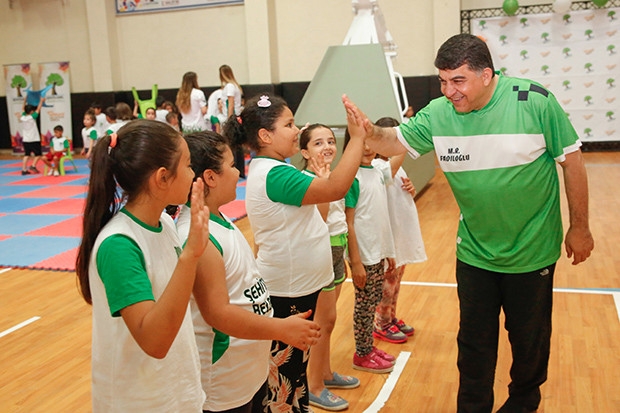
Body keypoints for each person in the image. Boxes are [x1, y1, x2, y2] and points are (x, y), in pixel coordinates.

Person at [342, 33, 594, 413]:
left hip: (533, 253)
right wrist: (368, 131)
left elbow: (572, 162)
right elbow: (392, 142)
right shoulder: (439, 113)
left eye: (458, 80)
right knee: (473, 346)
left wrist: (580, 226)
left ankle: (523, 404)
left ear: (487, 75)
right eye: (443, 81)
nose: (449, 91)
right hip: (475, 254)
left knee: (529, 345)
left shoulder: (535, 101)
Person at [223, 93, 365, 413]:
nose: (296, 130)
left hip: (299, 287)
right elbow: (336, 189)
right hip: (287, 292)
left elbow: (319, 214)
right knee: (283, 381)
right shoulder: (275, 174)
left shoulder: (278, 169)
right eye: (288, 125)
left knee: (295, 373)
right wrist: (356, 139)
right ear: (265, 136)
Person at [177, 131, 321, 413]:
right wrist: (281, 328)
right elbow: (218, 313)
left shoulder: (218, 219)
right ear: (210, 177)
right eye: (232, 165)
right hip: (224, 384)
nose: (237, 173)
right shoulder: (196, 235)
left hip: (248, 371)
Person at [75, 119, 210, 411]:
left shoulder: (164, 222)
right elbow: (155, 341)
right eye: (188, 166)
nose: (193, 174)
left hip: (177, 393)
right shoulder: (119, 245)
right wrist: (190, 255)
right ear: (162, 178)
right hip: (140, 402)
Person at [299, 124, 360, 411]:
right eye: (318, 143)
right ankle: (313, 386)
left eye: (331, 141)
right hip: (320, 250)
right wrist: (323, 184)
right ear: (304, 152)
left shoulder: (332, 176)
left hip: (336, 247)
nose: (327, 147)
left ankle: (324, 373)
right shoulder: (306, 180)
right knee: (323, 321)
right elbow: (316, 222)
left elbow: (341, 221)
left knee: (330, 320)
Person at [343, 128, 397, 372]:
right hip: (363, 254)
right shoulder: (351, 177)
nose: (366, 148)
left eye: (370, 142)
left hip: (377, 252)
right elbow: (349, 222)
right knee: (364, 306)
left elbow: (380, 215)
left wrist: (388, 251)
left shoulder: (376, 171)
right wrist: (356, 262)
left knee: (373, 301)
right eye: (361, 143)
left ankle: (369, 347)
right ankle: (362, 353)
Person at [371, 117, 427, 343]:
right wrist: (404, 140)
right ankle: (381, 322)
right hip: (388, 236)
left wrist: (411, 189)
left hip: (400, 233)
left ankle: (391, 317)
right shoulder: (376, 166)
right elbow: (390, 171)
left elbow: (399, 188)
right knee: (387, 282)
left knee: (396, 281)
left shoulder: (394, 165)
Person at [219, 65, 246, 178]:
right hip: (236, 117)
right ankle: (240, 171)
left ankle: (236, 170)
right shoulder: (235, 86)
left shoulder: (229, 86)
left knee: (232, 145)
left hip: (232, 117)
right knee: (237, 145)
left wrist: (229, 119)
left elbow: (230, 103)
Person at [19, 96, 44, 175]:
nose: (33, 111)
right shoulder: (32, 117)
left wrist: (24, 100)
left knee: (26, 155)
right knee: (38, 154)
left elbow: (23, 109)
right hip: (34, 139)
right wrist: (41, 101)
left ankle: (24, 170)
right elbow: (38, 109)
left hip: (26, 139)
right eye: (32, 110)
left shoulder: (23, 117)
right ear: (30, 111)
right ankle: (33, 165)